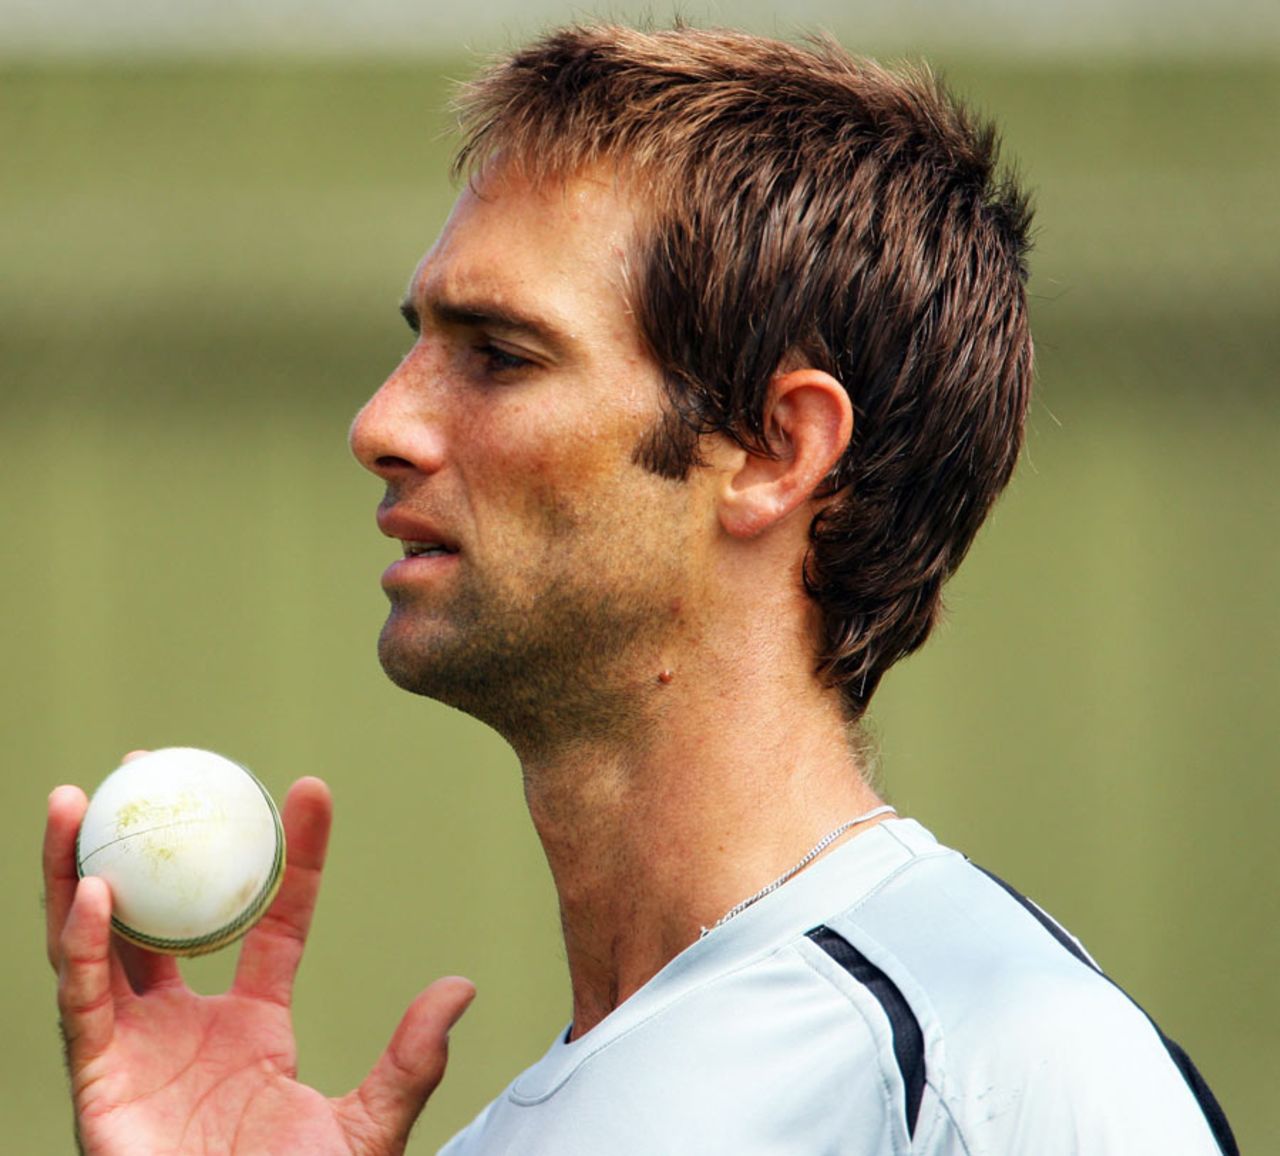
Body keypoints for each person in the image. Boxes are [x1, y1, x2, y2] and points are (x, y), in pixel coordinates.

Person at [44, 24, 1237, 1155]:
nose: (381, 422)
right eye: (419, 342)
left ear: (775, 450)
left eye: (497, 355)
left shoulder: (997, 1071)